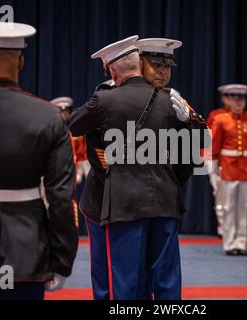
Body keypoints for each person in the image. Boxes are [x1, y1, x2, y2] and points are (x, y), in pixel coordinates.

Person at [68, 35, 207, 300]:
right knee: (117, 276)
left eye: (166, 67)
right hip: (106, 198)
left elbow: (192, 154)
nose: (163, 73)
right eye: (156, 66)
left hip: (128, 200)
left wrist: (189, 123)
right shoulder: (110, 94)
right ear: (140, 64)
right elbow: (97, 155)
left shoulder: (171, 101)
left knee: (129, 279)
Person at [0, 22, 78, 300]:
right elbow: (60, 198)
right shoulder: (49, 116)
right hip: (27, 254)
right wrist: (62, 260)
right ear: (21, 61)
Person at [209, 84, 247, 256]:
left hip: (246, 169)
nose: (239, 103)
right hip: (229, 168)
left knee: (243, 208)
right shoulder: (221, 120)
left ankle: (241, 242)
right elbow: (215, 148)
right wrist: (214, 170)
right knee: (229, 207)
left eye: (242, 100)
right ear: (229, 101)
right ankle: (229, 243)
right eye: (235, 99)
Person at [51, 97, 89, 233]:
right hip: (51, 178)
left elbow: (81, 155)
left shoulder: (75, 134)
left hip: (68, 179)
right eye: (61, 112)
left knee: (69, 208)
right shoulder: (49, 132)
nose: (63, 115)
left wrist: (79, 173)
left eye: (66, 112)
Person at [205, 87, 233, 237]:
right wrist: (206, 157)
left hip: (232, 162)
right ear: (223, 99)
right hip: (216, 160)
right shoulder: (216, 116)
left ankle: (230, 227)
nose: (233, 101)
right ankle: (223, 227)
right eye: (229, 97)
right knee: (220, 194)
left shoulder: (245, 118)